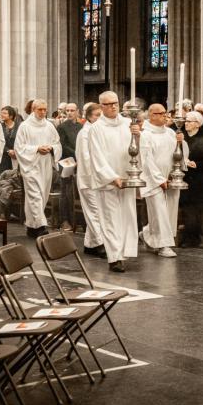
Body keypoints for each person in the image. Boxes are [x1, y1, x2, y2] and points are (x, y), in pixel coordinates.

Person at [88, 91, 138, 272]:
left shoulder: (127, 124)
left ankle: (123, 252)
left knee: (126, 218)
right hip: (108, 182)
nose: (113, 106)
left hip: (127, 178)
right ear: (101, 107)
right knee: (110, 220)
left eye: (115, 103)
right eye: (108, 104)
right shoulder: (96, 128)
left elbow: (135, 151)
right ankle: (114, 257)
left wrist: (138, 136)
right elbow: (97, 157)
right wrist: (112, 177)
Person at [14, 99, 62, 237]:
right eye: (39, 109)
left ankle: (32, 226)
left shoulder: (49, 126)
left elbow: (57, 143)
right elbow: (19, 147)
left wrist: (51, 148)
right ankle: (41, 225)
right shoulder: (25, 126)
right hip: (31, 165)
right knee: (34, 195)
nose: (43, 112)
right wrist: (36, 149)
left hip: (45, 164)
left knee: (42, 194)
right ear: (33, 110)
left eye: (44, 109)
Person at [139, 103, 182, 258]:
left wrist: (181, 142)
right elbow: (146, 159)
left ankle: (147, 234)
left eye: (165, 113)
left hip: (170, 177)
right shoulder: (145, 135)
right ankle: (164, 245)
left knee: (169, 211)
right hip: (152, 179)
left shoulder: (170, 133)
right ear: (152, 115)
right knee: (159, 212)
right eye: (162, 113)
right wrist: (159, 179)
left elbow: (178, 155)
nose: (166, 116)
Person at [178, 111, 203, 248]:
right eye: (186, 121)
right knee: (189, 211)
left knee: (202, 212)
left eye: (189, 121)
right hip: (188, 180)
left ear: (197, 124)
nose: (186, 123)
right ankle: (190, 238)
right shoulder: (182, 139)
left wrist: (196, 164)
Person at [76, 103, 105, 256]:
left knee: (97, 211)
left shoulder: (97, 131)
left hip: (99, 179)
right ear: (89, 117)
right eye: (96, 116)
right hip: (89, 179)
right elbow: (86, 158)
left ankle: (90, 244)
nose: (100, 119)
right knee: (94, 211)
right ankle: (100, 243)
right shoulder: (85, 133)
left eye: (101, 115)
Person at [57, 102, 82, 232]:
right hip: (66, 161)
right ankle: (65, 220)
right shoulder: (61, 127)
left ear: (77, 111)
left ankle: (77, 220)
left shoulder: (81, 126)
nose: (70, 113)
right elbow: (62, 145)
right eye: (68, 110)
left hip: (79, 161)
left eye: (72, 110)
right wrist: (77, 153)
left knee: (77, 191)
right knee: (65, 191)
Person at [0, 106, 20, 177]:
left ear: (11, 116)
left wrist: (15, 151)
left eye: (4, 113)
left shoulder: (19, 126)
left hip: (16, 156)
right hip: (3, 156)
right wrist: (7, 150)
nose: (2, 115)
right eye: (1, 113)